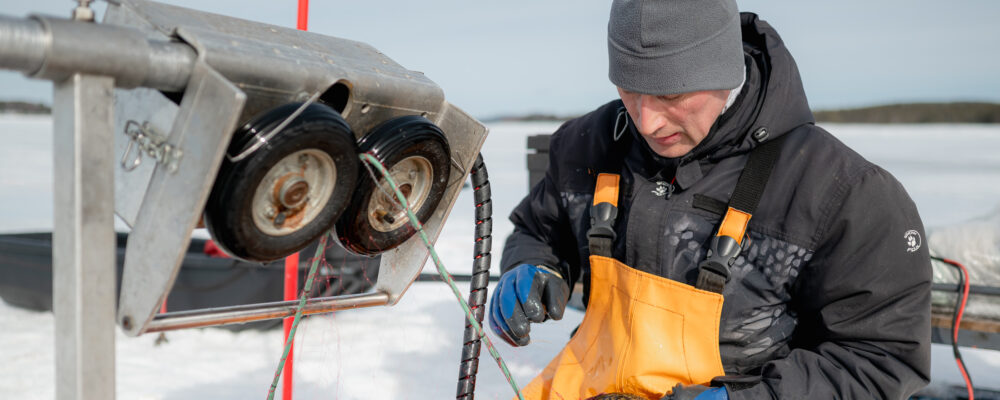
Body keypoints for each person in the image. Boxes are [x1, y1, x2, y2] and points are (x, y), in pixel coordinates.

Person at [488, 0, 932, 399]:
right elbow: (539, 230)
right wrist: (531, 264)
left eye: (670, 94)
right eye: (628, 88)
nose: (646, 121)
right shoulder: (590, 144)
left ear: (725, 70)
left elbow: (880, 360)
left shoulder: (843, 192)